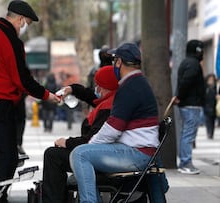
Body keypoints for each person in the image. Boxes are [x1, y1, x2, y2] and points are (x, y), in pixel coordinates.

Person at [0, 1, 60, 201]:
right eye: (27, 24)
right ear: (21, 19)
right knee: (6, 156)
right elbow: (22, 78)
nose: (24, 28)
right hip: (0, 104)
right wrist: (47, 95)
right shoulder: (11, 40)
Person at [70, 43, 168, 203]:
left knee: (80, 154)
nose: (114, 64)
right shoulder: (139, 83)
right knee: (84, 152)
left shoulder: (129, 87)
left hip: (137, 154)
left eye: (115, 60)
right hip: (143, 151)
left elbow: (113, 129)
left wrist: (91, 145)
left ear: (120, 62)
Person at [42, 65, 119, 203]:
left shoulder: (108, 107)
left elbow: (92, 140)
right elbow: (89, 95)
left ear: (106, 87)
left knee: (52, 155)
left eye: (99, 85)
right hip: (101, 153)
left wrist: (67, 142)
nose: (96, 89)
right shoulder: (110, 100)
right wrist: (71, 89)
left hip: (99, 158)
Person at [175, 39, 205, 175]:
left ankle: (185, 162)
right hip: (191, 104)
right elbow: (187, 81)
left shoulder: (188, 62)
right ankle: (185, 163)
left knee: (187, 133)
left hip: (188, 104)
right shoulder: (193, 64)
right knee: (188, 134)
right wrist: (180, 95)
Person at [204, 73, 217, 139]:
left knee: (212, 121)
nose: (211, 81)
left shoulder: (215, 88)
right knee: (208, 120)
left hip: (214, 107)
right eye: (210, 80)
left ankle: (211, 133)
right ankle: (209, 132)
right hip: (207, 106)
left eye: (212, 80)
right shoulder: (205, 88)